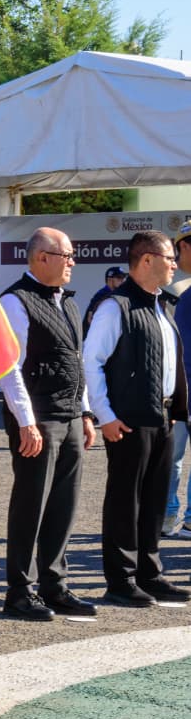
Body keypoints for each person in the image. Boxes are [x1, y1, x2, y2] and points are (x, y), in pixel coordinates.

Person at [0, 227, 99, 621]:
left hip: (70, 415)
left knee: (63, 506)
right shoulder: (15, 302)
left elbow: (77, 361)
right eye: (66, 255)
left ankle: (54, 585)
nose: (72, 262)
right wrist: (26, 421)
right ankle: (19, 591)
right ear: (41, 258)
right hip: (38, 419)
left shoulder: (68, 303)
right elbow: (10, 368)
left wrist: (86, 413)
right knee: (31, 505)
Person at [83, 230, 190, 607]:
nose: (175, 264)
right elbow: (91, 363)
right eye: (169, 257)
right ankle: (121, 579)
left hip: (162, 417)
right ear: (146, 260)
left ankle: (149, 572)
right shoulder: (117, 306)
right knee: (125, 501)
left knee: (155, 499)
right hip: (127, 420)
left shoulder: (162, 305)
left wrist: (175, 409)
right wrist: (104, 416)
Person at [165, 222, 191, 541]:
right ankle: (169, 514)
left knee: (172, 458)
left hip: (181, 390)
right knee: (172, 458)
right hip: (177, 391)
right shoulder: (176, 289)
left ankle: (173, 516)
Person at [82, 266, 126, 336]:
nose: (122, 280)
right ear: (109, 279)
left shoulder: (116, 295)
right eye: (119, 277)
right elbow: (90, 320)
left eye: (123, 278)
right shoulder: (102, 295)